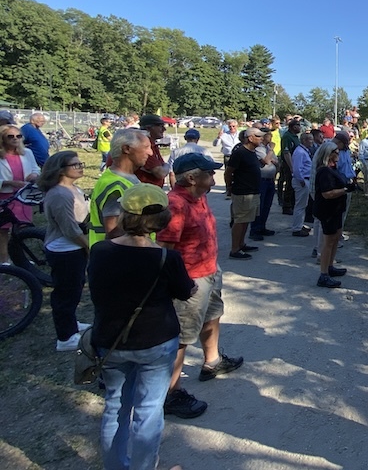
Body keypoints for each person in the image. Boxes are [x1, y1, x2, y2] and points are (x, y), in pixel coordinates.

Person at [88, 184, 195, 470]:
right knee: (148, 410)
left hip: (111, 341)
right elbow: (185, 291)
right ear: (160, 219)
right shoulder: (164, 257)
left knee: (115, 408)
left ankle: (116, 465)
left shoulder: (100, 251)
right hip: (155, 342)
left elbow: (97, 290)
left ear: (125, 215)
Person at [158, 153, 244, 420]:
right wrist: (179, 285)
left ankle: (212, 361)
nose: (214, 178)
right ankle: (171, 393)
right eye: (209, 173)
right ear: (192, 177)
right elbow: (166, 251)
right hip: (190, 281)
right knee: (181, 337)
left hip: (209, 270)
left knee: (213, 315)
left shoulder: (199, 195)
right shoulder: (176, 205)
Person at [37, 151, 91, 351]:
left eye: (80, 163)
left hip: (73, 247)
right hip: (65, 249)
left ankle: (71, 323)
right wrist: (88, 246)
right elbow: (69, 228)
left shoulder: (71, 188)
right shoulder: (60, 193)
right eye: (74, 165)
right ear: (60, 170)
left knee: (75, 288)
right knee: (65, 293)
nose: (80, 167)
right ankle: (65, 337)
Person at [88, 129, 152, 248]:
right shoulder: (116, 187)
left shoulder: (123, 178)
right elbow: (115, 233)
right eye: (146, 147)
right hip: (120, 260)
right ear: (126, 149)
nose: (150, 153)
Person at [0, 124, 40, 263]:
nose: (15, 139)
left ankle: (20, 257)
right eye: (10, 136)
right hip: (4, 196)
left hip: (24, 196)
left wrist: (33, 175)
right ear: (2, 139)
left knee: (22, 228)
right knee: (3, 230)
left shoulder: (27, 153)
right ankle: (4, 259)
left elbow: (36, 168)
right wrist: (9, 183)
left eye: (18, 136)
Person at [312, 141, 349, 287]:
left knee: (336, 237)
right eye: (335, 152)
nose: (338, 154)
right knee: (328, 242)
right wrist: (345, 190)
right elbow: (327, 193)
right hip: (328, 211)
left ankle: (330, 266)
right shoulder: (324, 171)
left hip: (336, 209)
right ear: (329, 153)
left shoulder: (332, 169)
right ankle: (323, 274)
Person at [224, 128, 263, 260]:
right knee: (239, 220)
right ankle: (234, 249)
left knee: (246, 219)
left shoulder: (252, 152)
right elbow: (229, 172)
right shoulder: (240, 152)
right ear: (250, 138)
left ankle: (241, 244)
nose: (261, 138)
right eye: (258, 136)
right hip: (243, 192)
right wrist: (229, 186)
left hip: (253, 192)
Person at [249, 128, 278, 241]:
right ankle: (255, 229)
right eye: (267, 135)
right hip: (261, 180)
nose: (270, 137)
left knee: (267, 205)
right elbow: (266, 161)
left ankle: (262, 226)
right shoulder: (259, 148)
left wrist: (271, 156)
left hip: (270, 179)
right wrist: (270, 151)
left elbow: (275, 160)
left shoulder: (267, 148)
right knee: (259, 206)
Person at [135, 115, 172, 188]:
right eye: (160, 126)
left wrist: (165, 166)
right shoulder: (143, 146)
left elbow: (162, 166)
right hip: (145, 192)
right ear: (148, 128)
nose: (164, 129)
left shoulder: (152, 144)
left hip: (151, 191)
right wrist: (167, 166)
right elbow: (160, 173)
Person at [291, 132, 314, 237]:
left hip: (305, 179)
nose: (312, 141)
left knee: (303, 204)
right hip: (302, 181)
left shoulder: (304, 151)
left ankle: (300, 224)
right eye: (310, 139)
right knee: (300, 205)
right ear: (304, 140)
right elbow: (296, 168)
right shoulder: (300, 152)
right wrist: (301, 180)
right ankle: (296, 228)